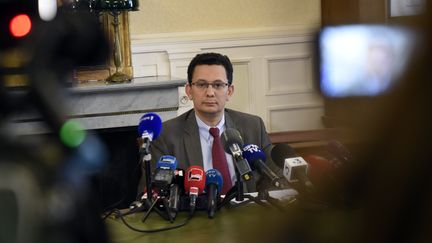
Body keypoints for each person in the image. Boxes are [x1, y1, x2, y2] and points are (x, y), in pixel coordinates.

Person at [139, 52, 272, 194]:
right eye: (202, 84)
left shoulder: (253, 126)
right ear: (189, 91)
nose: (210, 93)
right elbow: (149, 192)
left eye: (218, 85)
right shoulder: (166, 135)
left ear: (229, 91)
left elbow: (275, 178)